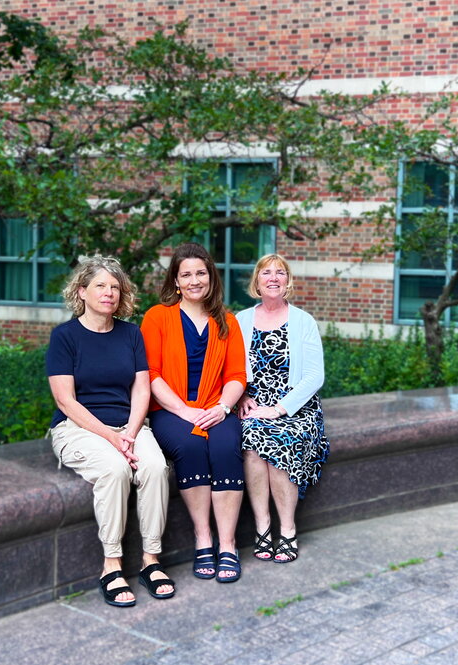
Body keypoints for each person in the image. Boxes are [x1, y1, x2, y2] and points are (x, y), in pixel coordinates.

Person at [46, 256, 174, 608]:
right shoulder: (65, 337)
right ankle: (112, 564)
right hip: (80, 428)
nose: (109, 292)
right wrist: (110, 436)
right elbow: (65, 400)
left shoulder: (131, 334)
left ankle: (151, 560)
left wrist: (131, 432)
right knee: (115, 470)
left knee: (154, 468)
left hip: (130, 426)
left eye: (115, 287)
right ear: (82, 291)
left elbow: (141, 390)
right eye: (101, 285)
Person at [140, 243, 247, 583]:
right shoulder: (158, 316)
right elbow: (150, 374)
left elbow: (236, 376)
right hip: (171, 410)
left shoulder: (226, 321)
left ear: (211, 277)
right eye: (186, 274)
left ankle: (228, 545)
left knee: (225, 447)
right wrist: (184, 410)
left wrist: (222, 408)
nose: (194, 280)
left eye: (200, 273)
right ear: (175, 281)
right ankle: (204, 539)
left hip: (217, 408)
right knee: (190, 447)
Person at [236, 254, 329, 563]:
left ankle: (287, 529)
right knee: (251, 437)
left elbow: (315, 376)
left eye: (280, 273)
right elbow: (230, 370)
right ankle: (263, 527)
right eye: (266, 273)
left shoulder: (303, 321)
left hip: (296, 408)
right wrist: (239, 398)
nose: (273, 278)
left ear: (288, 281)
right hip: (255, 405)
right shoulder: (240, 320)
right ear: (257, 282)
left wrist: (279, 409)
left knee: (278, 442)